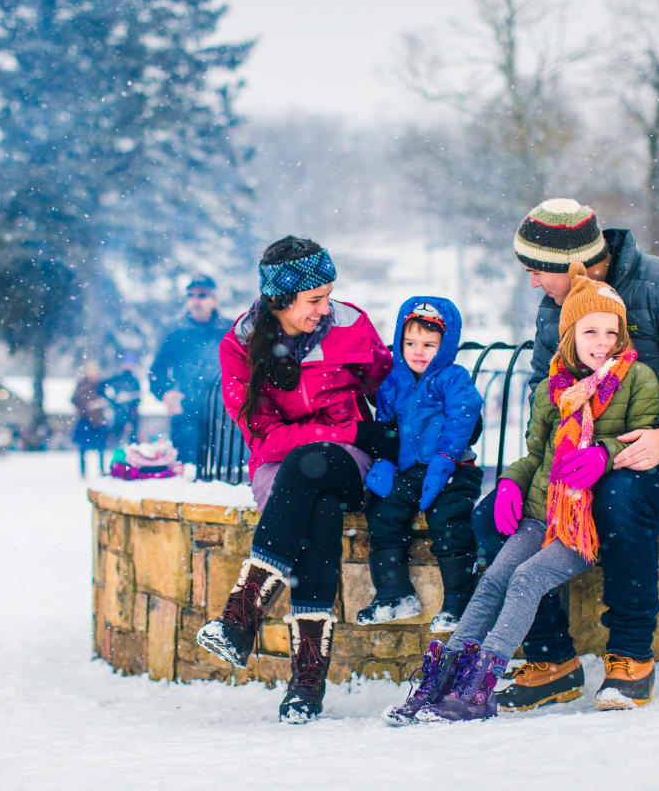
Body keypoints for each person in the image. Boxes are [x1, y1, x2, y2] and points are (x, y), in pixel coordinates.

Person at [472, 198, 659, 711]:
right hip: (579, 460)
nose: (532, 284)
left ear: (574, 266)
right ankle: (553, 662)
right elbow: (544, 390)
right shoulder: (559, 307)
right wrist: (519, 476)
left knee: (619, 498)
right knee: (494, 518)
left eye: (537, 272)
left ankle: (630, 655)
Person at [385, 266, 659, 724]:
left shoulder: (637, 381)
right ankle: (443, 679)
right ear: (570, 334)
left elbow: (641, 443)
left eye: (612, 332)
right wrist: (511, 481)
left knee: (527, 578)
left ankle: (479, 685)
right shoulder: (553, 388)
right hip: (540, 513)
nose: (602, 342)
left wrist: (604, 453)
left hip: (583, 521)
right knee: (494, 577)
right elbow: (535, 454)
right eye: (590, 331)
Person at [195, 235, 393, 723]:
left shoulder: (351, 326)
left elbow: (388, 392)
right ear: (280, 300)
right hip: (278, 466)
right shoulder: (240, 346)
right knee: (318, 510)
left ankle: (241, 616)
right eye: (314, 300)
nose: (326, 309)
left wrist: (389, 441)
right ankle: (307, 683)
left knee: (313, 464)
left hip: (344, 459)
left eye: (329, 295)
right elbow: (262, 435)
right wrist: (341, 427)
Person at [357, 297, 484, 632]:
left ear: (444, 346)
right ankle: (393, 593)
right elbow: (386, 425)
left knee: (449, 521)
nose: (418, 351)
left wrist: (445, 460)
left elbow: (463, 417)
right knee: (383, 511)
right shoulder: (393, 382)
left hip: (456, 469)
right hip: (411, 471)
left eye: (429, 344)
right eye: (410, 343)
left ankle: (459, 602)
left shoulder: (452, 378)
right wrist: (384, 460)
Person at [148, 274, 232, 465]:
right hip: (186, 413)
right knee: (187, 474)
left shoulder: (229, 330)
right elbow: (156, 371)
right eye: (191, 295)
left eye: (202, 295)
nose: (196, 300)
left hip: (226, 414)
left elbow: (248, 364)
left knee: (228, 475)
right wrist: (166, 393)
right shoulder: (175, 332)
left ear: (214, 299)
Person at [71, 362, 110, 477]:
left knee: (101, 447)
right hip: (85, 420)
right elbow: (74, 400)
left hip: (99, 420)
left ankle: (102, 470)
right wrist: (86, 407)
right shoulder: (82, 384)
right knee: (83, 447)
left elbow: (108, 399)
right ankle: (83, 471)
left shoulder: (101, 384)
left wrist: (101, 403)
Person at [98, 354, 142, 448]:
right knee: (117, 444)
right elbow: (100, 387)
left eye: (131, 363)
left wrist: (132, 418)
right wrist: (112, 400)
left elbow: (137, 401)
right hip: (118, 415)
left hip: (131, 416)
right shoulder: (117, 379)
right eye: (127, 363)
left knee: (132, 445)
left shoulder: (135, 381)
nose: (129, 365)